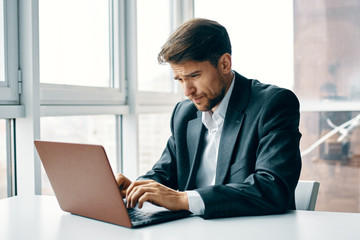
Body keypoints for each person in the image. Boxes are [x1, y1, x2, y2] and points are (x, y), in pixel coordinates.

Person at [116, 18, 302, 219]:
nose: (187, 91)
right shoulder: (184, 113)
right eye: (180, 80)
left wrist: (184, 200)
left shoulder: (273, 104)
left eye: (194, 76)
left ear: (224, 63)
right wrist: (135, 189)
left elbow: (273, 188)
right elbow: (164, 174)